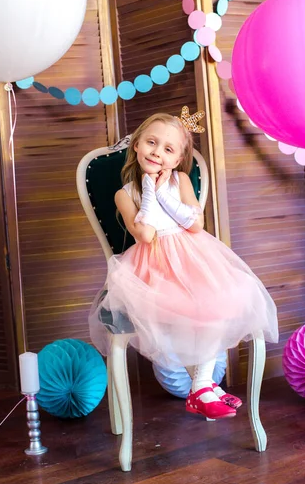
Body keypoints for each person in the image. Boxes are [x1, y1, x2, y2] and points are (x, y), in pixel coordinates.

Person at [89, 107, 278, 419]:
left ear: (176, 160)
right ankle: (203, 387)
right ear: (137, 144)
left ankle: (202, 383)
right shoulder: (126, 194)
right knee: (187, 304)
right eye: (151, 143)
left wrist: (164, 194)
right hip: (153, 266)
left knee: (225, 297)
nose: (157, 152)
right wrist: (149, 192)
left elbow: (195, 225)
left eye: (167, 149)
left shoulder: (180, 181)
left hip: (194, 256)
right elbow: (146, 234)